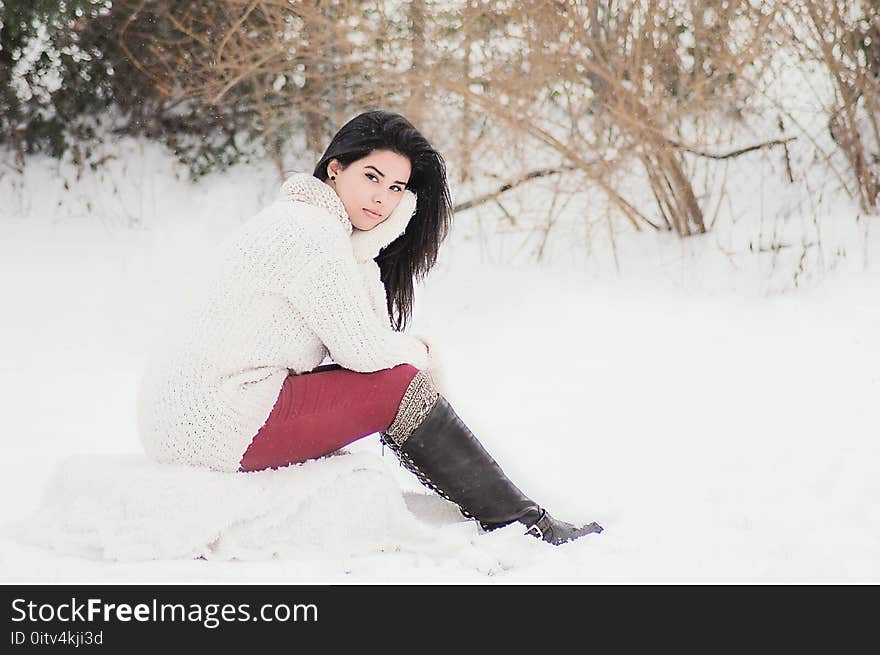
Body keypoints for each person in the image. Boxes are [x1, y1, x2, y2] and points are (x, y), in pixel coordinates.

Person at [137, 110, 602, 546]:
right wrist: (424, 355)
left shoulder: (312, 225)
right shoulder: (311, 234)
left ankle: (518, 518)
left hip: (197, 417)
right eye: (371, 178)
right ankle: (523, 524)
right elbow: (364, 353)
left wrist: (368, 245)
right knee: (397, 385)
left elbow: (366, 336)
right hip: (216, 421)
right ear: (335, 169)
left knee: (392, 380)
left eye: (398, 189)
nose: (382, 198)